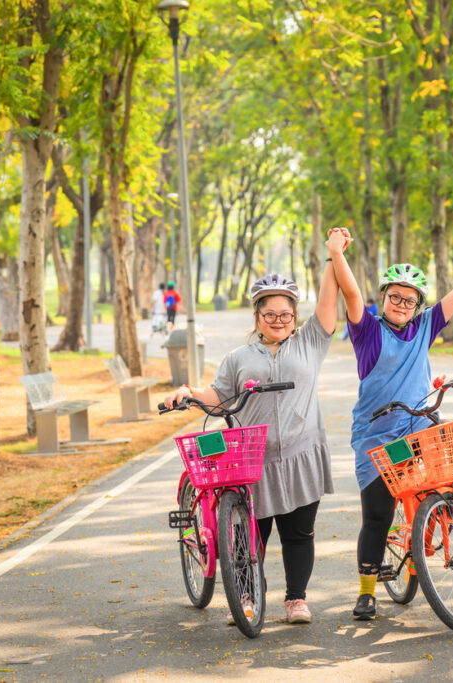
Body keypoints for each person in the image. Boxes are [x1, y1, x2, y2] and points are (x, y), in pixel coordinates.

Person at [161, 231, 345, 624]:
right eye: (270, 314)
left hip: (301, 454)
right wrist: (187, 392)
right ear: (257, 317)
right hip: (250, 460)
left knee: (299, 535)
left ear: (295, 317)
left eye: (286, 314)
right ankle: (247, 596)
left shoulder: (311, 342)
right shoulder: (237, 357)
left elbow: (330, 300)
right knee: (247, 540)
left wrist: (332, 256)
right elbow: (218, 395)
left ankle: (296, 599)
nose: (278, 321)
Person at [326, 227, 453, 621]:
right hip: (376, 434)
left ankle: (450, 509)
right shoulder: (366, 330)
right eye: (395, 296)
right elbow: (350, 293)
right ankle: (367, 592)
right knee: (378, 517)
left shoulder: (424, 328)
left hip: (417, 425)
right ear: (383, 298)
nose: (402, 304)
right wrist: (337, 252)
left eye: (410, 299)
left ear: (418, 305)